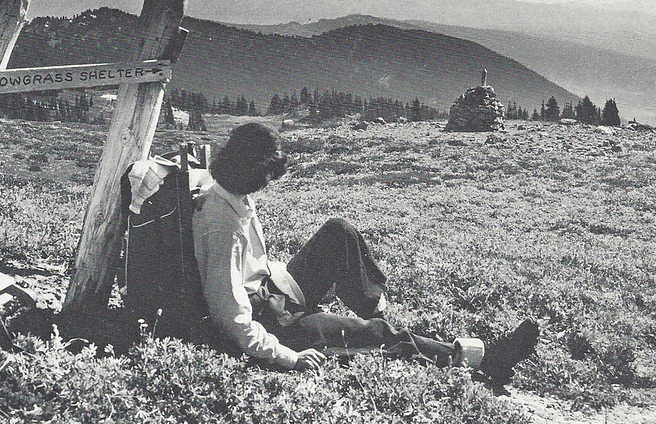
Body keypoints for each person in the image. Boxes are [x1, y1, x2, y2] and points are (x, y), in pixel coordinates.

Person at [192, 122, 538, 387]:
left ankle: (374, 308)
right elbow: (229, 314)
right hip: (273, 322)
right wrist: (286, 356)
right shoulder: (224, 225)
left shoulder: (228, 193)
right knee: (377, 336)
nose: (267, 183)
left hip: (274, 291)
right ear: (248, 169)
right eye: (265, 175)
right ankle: (484, 360)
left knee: (337, 232)